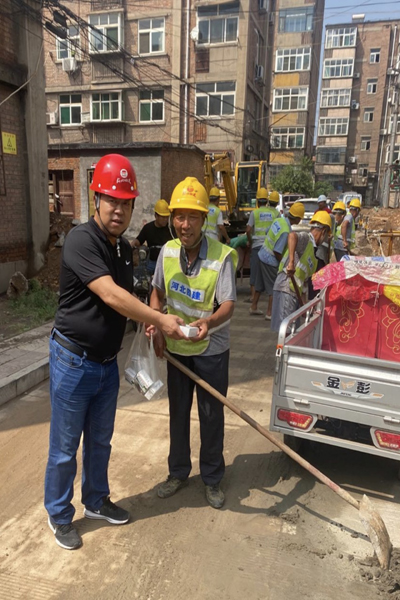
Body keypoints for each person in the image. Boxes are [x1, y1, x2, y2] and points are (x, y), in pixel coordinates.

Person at [44, 154, 185, 551]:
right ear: (96, 200)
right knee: (65, 448)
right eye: (111, 200)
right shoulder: (81, 240)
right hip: (73, 361)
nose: (118, 210)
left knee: (101, 441)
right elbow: (110, 294)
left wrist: (148, 320)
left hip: (106, 364)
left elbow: (126, 300)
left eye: (125, 203)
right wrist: (159, 318)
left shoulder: (124, 249)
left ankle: (95, 500)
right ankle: (59, 514)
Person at [149, 177, 237, 510]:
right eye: (179, 217)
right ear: (173, 218)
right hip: (178, 350)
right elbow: (157, 292)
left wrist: (208, 322)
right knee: (178, 414)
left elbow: (228, 304)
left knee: (211, 416)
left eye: (192, 217)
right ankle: (178, 472)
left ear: (203, 219)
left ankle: (212, 478)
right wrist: (158, 326)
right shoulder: (168, 252)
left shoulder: (221, 256)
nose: (184, 225)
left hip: (211, 350)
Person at [271, 211, 332, 332]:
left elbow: (303, 283)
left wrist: (304, 306)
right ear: (323, 231)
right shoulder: (307, 239)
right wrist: (291, 262)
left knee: (293, 331)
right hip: (286, 287)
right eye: (326, 236)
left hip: (294, 292)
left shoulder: (313, 256)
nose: (325, 239)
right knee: (287, 332)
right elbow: (292, 236)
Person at [250, 202, 305, 320]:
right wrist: (284, 264)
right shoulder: (285, 232)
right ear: (297, 218)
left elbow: (267, 232)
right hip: (270, 260)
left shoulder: (279, 220)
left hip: (262, 253)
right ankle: (270, 313)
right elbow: (277, 251)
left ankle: (253, 306)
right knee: (273, 288)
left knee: (259, 284)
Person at [245, 189, 280, 303]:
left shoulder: (254, 213)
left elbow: (248, 230)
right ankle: (270, 295)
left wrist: (250, 241)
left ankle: (253, 297)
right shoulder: (274, 213)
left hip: (256, 245)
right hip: (269, 246)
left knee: (255, 271)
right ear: (267, 201)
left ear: (257, 200)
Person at [131, 199, 174, 275]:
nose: (165, 220)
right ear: (156, 216)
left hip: (167, 262)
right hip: (152, 263)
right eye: (163, 217)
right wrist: (133, 243)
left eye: (167, 217)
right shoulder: (148, 228)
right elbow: (139, 240)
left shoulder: (171, 229)